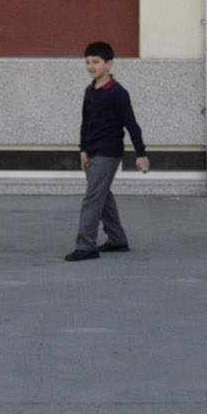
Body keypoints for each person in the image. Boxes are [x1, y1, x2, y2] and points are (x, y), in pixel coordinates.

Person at [67, 39, 146, 261]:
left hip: (108, 153)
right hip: (91, 152)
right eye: (88, 62)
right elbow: (86, 121)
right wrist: (83, 149)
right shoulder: (90, 91)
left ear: (109, 64)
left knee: (92, 198)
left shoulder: (118, 93)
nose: (91, 66)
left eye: (96, 62)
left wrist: (141, 154)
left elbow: (131, 124)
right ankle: (117, 239)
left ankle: (86, 246)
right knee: (102, 196)